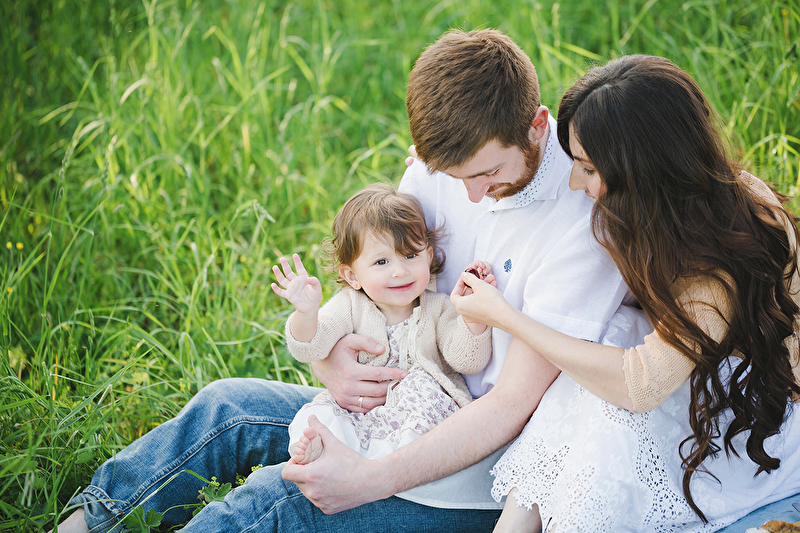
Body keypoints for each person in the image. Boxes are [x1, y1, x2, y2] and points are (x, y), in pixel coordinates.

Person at [51, 29, 647, 533]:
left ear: (538, 127)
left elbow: (512, 407)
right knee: (226, 408)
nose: (470, 196)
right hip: (391, 404)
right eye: (452, 177)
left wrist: (366, 480)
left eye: (488, 173)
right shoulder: (442, 166)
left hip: (474, 468)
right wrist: (328, 360)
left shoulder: (583, 229)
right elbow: (374, 277)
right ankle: (83, 524)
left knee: (280, 500)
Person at [449, 55, 800, 532]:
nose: (574, 182)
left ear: (646, 170)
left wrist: (507, 317)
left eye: (588, 168)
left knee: (606, 381)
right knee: (608, 340)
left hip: (754, 416)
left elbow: (641, 386)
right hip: (694, 377)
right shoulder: (661, 214)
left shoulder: (723, 255)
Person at [271, 184, 494, 465]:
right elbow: (311, 347)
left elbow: (467, 360)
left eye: (410, 256)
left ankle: (400, 462)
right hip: (364, 416)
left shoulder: (438, 307)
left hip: (421, 417)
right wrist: (306, 314)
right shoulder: (349, 306)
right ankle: (326, 449)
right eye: (381, 261)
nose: (399, 271)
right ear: (352, 276)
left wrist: (473, 315)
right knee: (318, 414)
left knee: (420, 388)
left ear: (428, 256)